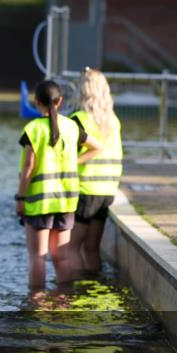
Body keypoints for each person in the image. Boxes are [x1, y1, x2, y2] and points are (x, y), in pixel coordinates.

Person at [15, 80, 102, 291]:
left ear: (37, 103)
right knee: (61, 258)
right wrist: (76, 162)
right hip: (66, 202)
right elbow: (97, 147)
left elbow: (28, 168)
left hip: (39, 203)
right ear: (60, 101)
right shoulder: (71, 127)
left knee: (37, 257)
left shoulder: (33, 129)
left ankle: (36, 304)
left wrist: (20, 199)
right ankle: (63, 301)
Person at [68, 69, 123, 277]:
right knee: (91, 248)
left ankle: (75, 291)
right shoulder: (113, 121)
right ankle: (93, 286)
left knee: (71, 248)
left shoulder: (79, 119)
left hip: (85, 190)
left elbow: (69, 155)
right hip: (107, 191)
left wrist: (70, 164)